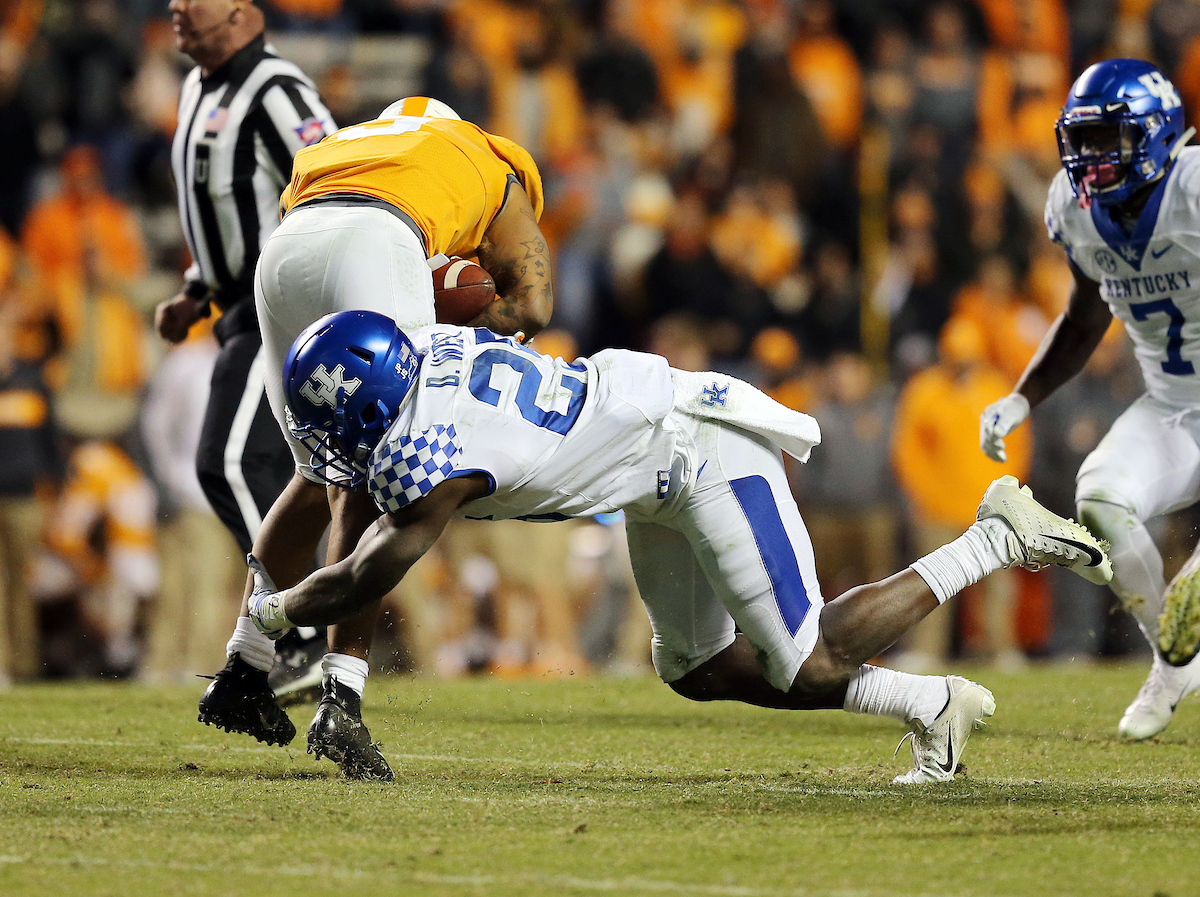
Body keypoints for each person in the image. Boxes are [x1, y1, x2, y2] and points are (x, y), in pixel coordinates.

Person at [247, 310, 1112, 782]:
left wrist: (273, 612)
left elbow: (368, 570)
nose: (334, 447)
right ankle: (933, 707)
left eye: (335, 423)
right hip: (647, 464)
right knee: (694, 666)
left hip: (696, 449)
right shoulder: (424, 346)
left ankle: (996, 536)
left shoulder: (428, 457)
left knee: (808, 658)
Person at [197, 97, 555, 780]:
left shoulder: (355, 143)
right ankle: (342, 697)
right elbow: (533, 304)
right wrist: (465, 325)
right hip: (375, 242)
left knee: (317, 470)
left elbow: (311, 225)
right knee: (374, 470)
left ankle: (243, 667)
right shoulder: (492, 163)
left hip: (287, 253)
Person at [980, 58, 1200, 739]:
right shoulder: (1075, 212)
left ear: (1159, 135)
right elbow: (1083, 316)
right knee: (1099, 496)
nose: (1092, 159)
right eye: (1083, 142)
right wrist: (1024, 398)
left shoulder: (1193, 189)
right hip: (1174, 404)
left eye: (1110, 140)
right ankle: (1175, 663)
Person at [157, 0, 337, 698]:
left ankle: (304, 629)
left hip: (280, 304)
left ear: (240, 12)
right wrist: (196, 289)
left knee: (233, 460)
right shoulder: (200, 85)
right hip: (237, 306)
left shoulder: (278, 89)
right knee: (251, 464)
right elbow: (224, 205)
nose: (176, 5)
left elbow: (334, 184)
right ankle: (299, 629)